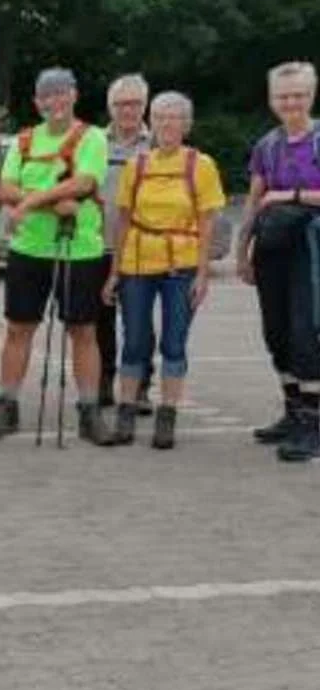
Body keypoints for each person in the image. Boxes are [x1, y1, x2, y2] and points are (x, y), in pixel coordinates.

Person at [0, 67, 113, 446]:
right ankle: (7, 405)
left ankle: (89, 410)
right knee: (19, 328)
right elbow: (5, 187)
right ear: (38, 102)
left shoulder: (92, 138)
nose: (55, 102)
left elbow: (85, 183)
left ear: (73, 95)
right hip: (29, 249)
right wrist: (53, 206)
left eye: (61, 93)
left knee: (83, 330)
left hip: (80, 250)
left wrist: (32, 201)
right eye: (47, 96)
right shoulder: (24, 141)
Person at [104, 92, 224, 450]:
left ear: (187, 124)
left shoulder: (200, 165)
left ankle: (167, 414)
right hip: (138, 263)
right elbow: (122, 223)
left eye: (174, 118)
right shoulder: (137, 165)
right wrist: (115, 272)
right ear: (150, 122)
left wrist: (202, 275)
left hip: (181, 265)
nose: (166, 124)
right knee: (135, 340)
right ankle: (126, 411)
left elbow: (207, 225)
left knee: (174, 342)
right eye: (159, 117)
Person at [237, 61, 320, 462]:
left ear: (312, 95)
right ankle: (292, 412)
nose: (291, 102)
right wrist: (243, 251)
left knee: (307, 336)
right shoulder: (268, 145)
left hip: (312, 249)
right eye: (284, 96)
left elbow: (274, 197)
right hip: (272, 249)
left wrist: (290, 196)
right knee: (277, 333)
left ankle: (313, 423)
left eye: (299, 95)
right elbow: (254, 200)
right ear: (272, 100)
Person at [98, 74, 155, 412]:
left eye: (134, 103)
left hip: (141, 248)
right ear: (111, 107)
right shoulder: (93, 141)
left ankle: (141, 386)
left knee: (138, 322)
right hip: (98, 245)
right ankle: (103, 381)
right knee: (99, 320)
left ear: (145, 105)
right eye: (121, 104)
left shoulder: (158, 142)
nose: (128, 110)